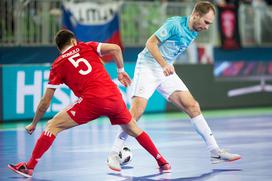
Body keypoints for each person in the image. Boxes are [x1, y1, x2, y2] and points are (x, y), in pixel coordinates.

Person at [8, 29, 171, 178]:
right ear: (73, 42)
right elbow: (116, 48)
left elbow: (45, 102)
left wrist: (34, 123)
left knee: (52, 126)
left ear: (60, 48)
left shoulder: (58, 64)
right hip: (114, 96)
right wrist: (120, 72)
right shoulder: (86, 47)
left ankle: (29, 167)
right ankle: (162, 162)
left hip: (91, 100)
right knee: (134, 128)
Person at [109, 1, 241, 165]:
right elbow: (150, 43)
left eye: (210, 24)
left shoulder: (194, 31)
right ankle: (114, 153)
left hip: (165, 70)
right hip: (148, 67)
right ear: (196, 15)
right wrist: (164, 64)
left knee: (193, 106)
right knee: (136, 112)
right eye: (206, 22)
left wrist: (166, 65)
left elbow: (169, 50)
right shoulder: (174, 24)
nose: (207, 27)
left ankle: (215, 152)